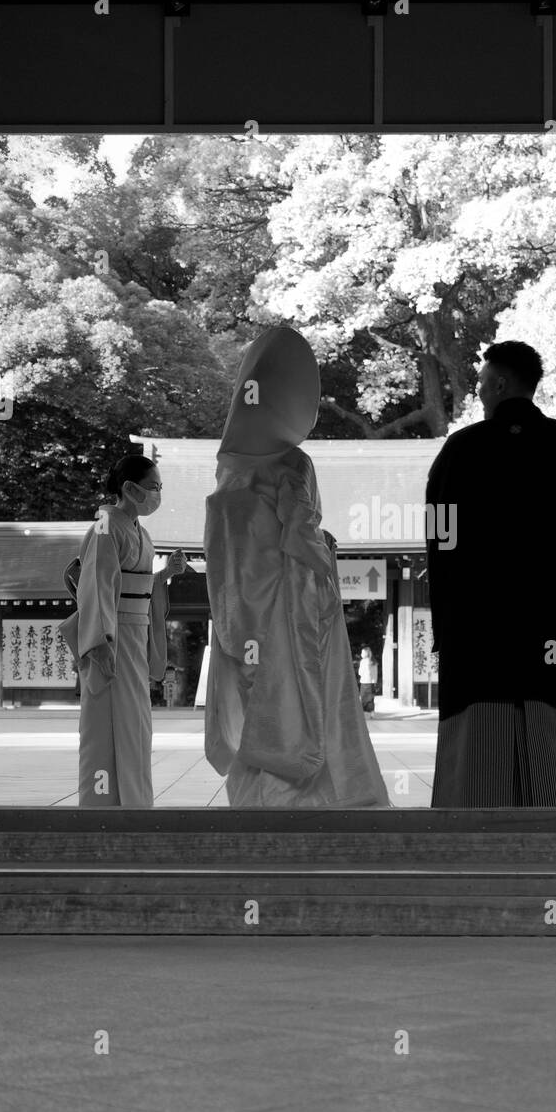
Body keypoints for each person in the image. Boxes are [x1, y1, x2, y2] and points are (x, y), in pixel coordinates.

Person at [426, 340, 556, 808]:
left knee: (483, 730)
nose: (478, 392)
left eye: (481, 382)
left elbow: (441, 539)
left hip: (481, 628)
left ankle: (473, 821)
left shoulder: (461, 450)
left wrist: (448, 619)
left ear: (500, 383)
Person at [203, 324, 388, 808]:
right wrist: (322, 552)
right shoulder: (293, 464)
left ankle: (259, 795)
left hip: (240, 608)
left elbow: (226, 552)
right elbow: (305, 536)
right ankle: (323, 795)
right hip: (292, 603)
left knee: (256, 700)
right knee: (308, 699)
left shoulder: (227, 472)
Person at [58, 455, 186, 807]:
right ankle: (105, 806)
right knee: (107, 725)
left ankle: (134, 803)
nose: (158, 494)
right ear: (129, 489)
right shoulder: (106, 526)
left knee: (135, 726)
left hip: (132, 637)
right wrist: (99, 641)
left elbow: (136, 586)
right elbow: (98, 585)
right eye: (153, 487)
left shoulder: (139, 532)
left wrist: (165, 576)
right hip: (112, 640)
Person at [358, 646, 378, 712]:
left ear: (366, 653)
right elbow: (375, 673)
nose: (361, 654)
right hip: (372, 682)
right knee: (371, 698)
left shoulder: (363, 661)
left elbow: (360, 672)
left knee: (363, 698)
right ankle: (372, 712)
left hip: (364, 682)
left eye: (362, 653)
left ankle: (363, 712)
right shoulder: (373, 661)